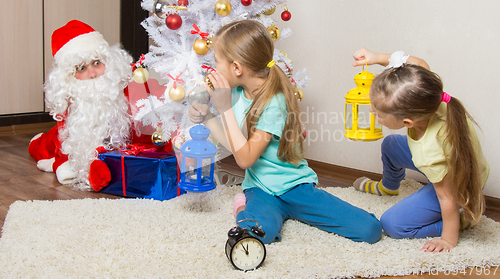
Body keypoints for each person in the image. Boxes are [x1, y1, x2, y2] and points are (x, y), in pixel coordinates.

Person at [188, 20, 382, 244]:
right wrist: (210, 118)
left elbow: (245, 159)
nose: (213, 68)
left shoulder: (274, 103)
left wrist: (223, 109)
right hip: (260, 190)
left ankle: (254, 206)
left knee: (370, 230)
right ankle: (243, 205)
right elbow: (237, 145)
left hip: (296, 187)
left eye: (217, 61)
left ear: (237, 68)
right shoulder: (237, 93)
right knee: (259, 234)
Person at [351, 47, 490, 253]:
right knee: (390, 145)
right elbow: (418, 63)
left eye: (378, 113)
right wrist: (376, 58)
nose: (371, 111)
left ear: (407, 122)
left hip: (460, 184)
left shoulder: (429, 152)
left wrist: (448, 239)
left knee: (393, 224)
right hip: (450, 162)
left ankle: (466, 218)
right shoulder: (425, 90)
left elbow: (447, 197)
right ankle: (389, 187)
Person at [29, 20, 166, 191]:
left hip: (127, 147)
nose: (92, 74)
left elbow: (159, 108)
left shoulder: (129, 83)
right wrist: (61, 164)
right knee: (45, 145)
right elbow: (65, 142)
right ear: (69, 76)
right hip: (66, 139)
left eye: (96, 63)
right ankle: (37, 141)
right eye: (81, 68)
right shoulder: (72, 98)